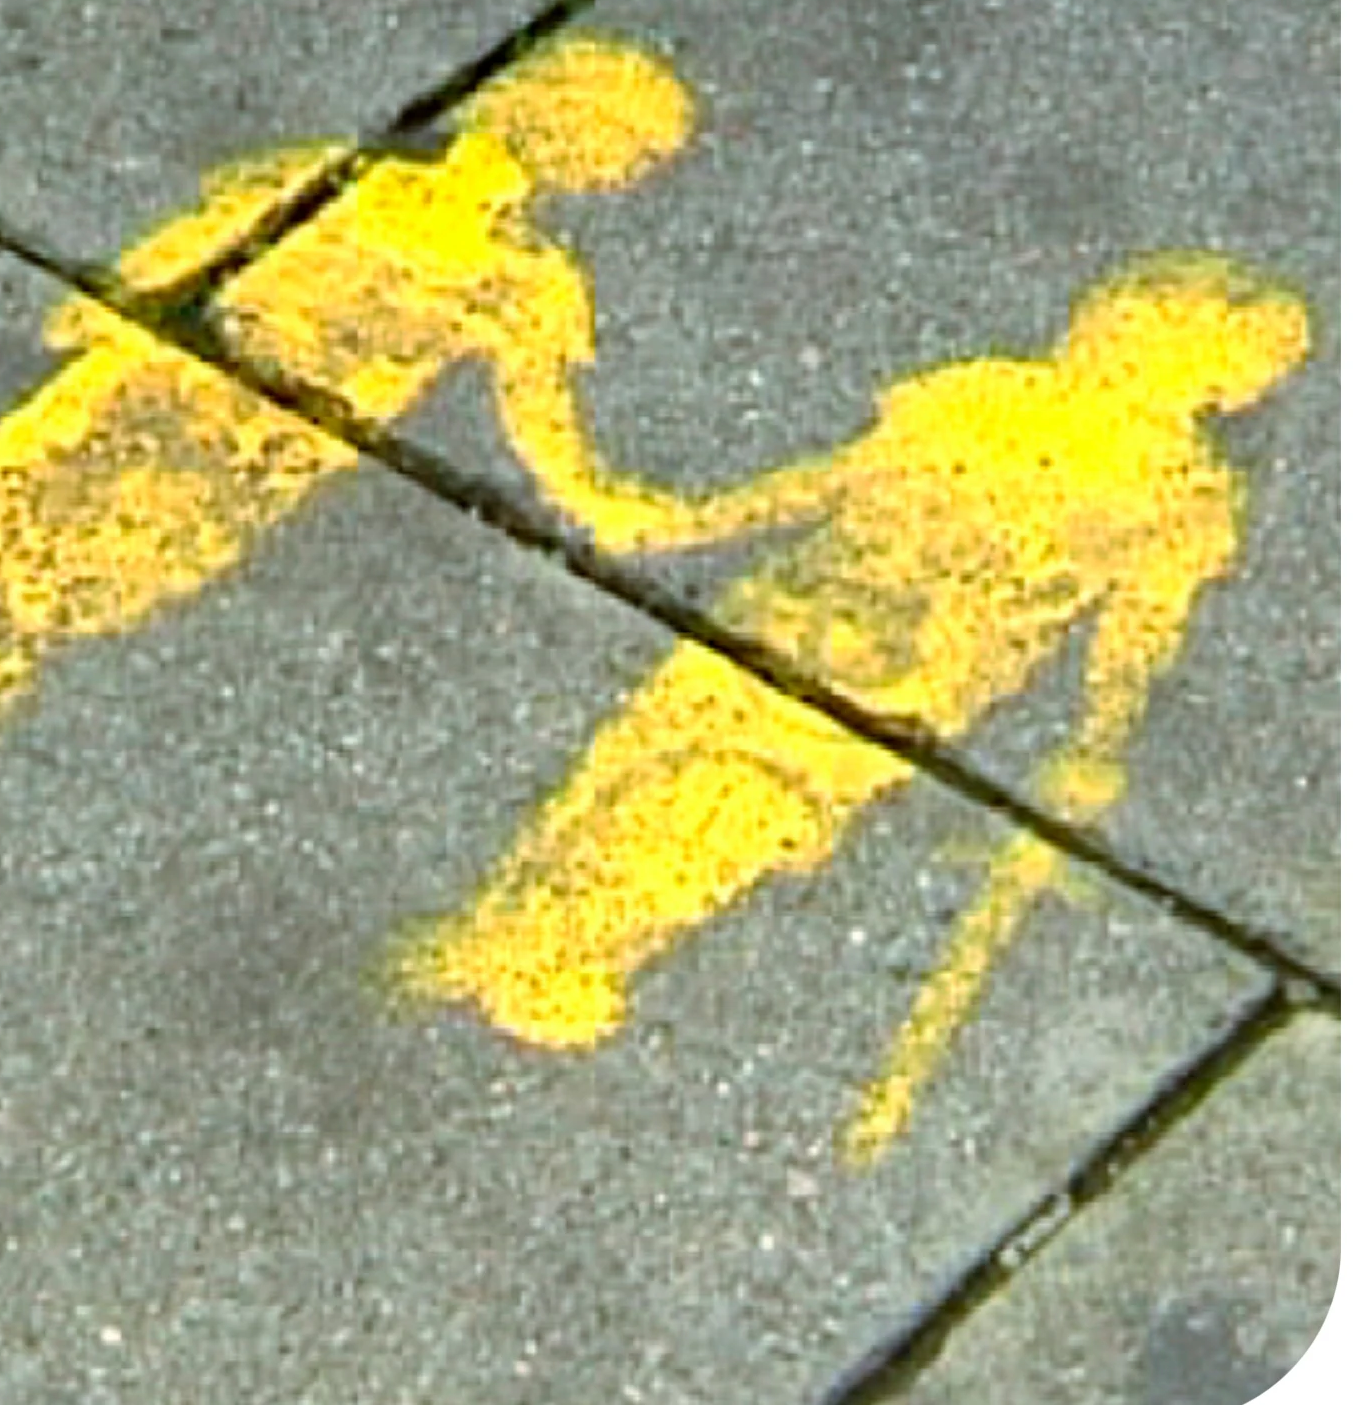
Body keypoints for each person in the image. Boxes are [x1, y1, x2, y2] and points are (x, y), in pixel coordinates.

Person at [398, 251, 1309, 1160]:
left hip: (901, 673)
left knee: (731, 810)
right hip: (788, 605)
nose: (1115, 323)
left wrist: (1099, 738)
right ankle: (495, 921)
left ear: (1214, 379)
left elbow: (1139, 628)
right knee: (631, 755)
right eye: (1133, 306)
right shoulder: (984, 393)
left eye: (1159, 324)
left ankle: (584, 949)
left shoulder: (1176, 497)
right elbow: (835, 482)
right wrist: (699, 519)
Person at [0, 32, 700, 727]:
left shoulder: (526, 275)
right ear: (566, 110)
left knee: (109, 549)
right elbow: (226, 223)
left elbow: (538, 413)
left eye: (642, 156)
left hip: (267, 437)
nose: (625, 166)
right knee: (24, 494)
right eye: (629, 140)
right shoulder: (371, 177)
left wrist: (593, 497)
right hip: (181, 372)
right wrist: (121, 301)